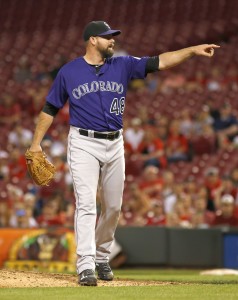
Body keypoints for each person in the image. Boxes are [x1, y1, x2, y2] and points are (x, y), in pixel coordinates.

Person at [27, 20, 220, 286]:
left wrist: (191, 50)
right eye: (107, 37)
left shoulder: (123, 64)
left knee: (114, 206)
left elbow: (160, 62)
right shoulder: (69, 72)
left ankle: (102, 256)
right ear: (92, 40)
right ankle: (85, 264)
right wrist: (36, 143)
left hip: (115, 142)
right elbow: (50, 108)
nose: (113, 40)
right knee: (85, 203)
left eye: (113, 37)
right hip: (83, 142)